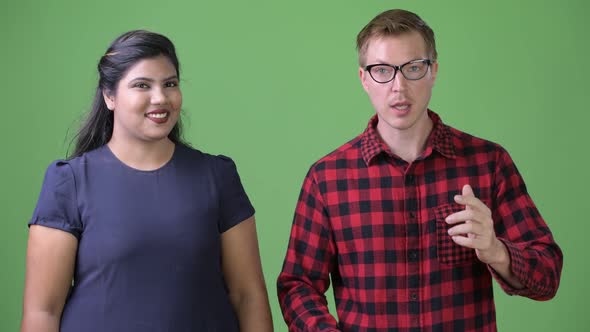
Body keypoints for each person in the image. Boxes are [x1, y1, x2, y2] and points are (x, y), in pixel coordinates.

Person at [277, 9, 562, 331]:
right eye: (382, 70)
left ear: (433, 71)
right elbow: (297, 286)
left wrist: (495, 250)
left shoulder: (488, 163)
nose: (399, 87)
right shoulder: (327, 178)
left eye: (413, 68)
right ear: (364, 79)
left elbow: (547, 277)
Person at [21, 30, 273, 332]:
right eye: (142, 85)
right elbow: (43, 311)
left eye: (170, 84)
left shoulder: (217, 176)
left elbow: (248, 297)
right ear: (109, 96)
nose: (160, 98)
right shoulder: (69, 182)